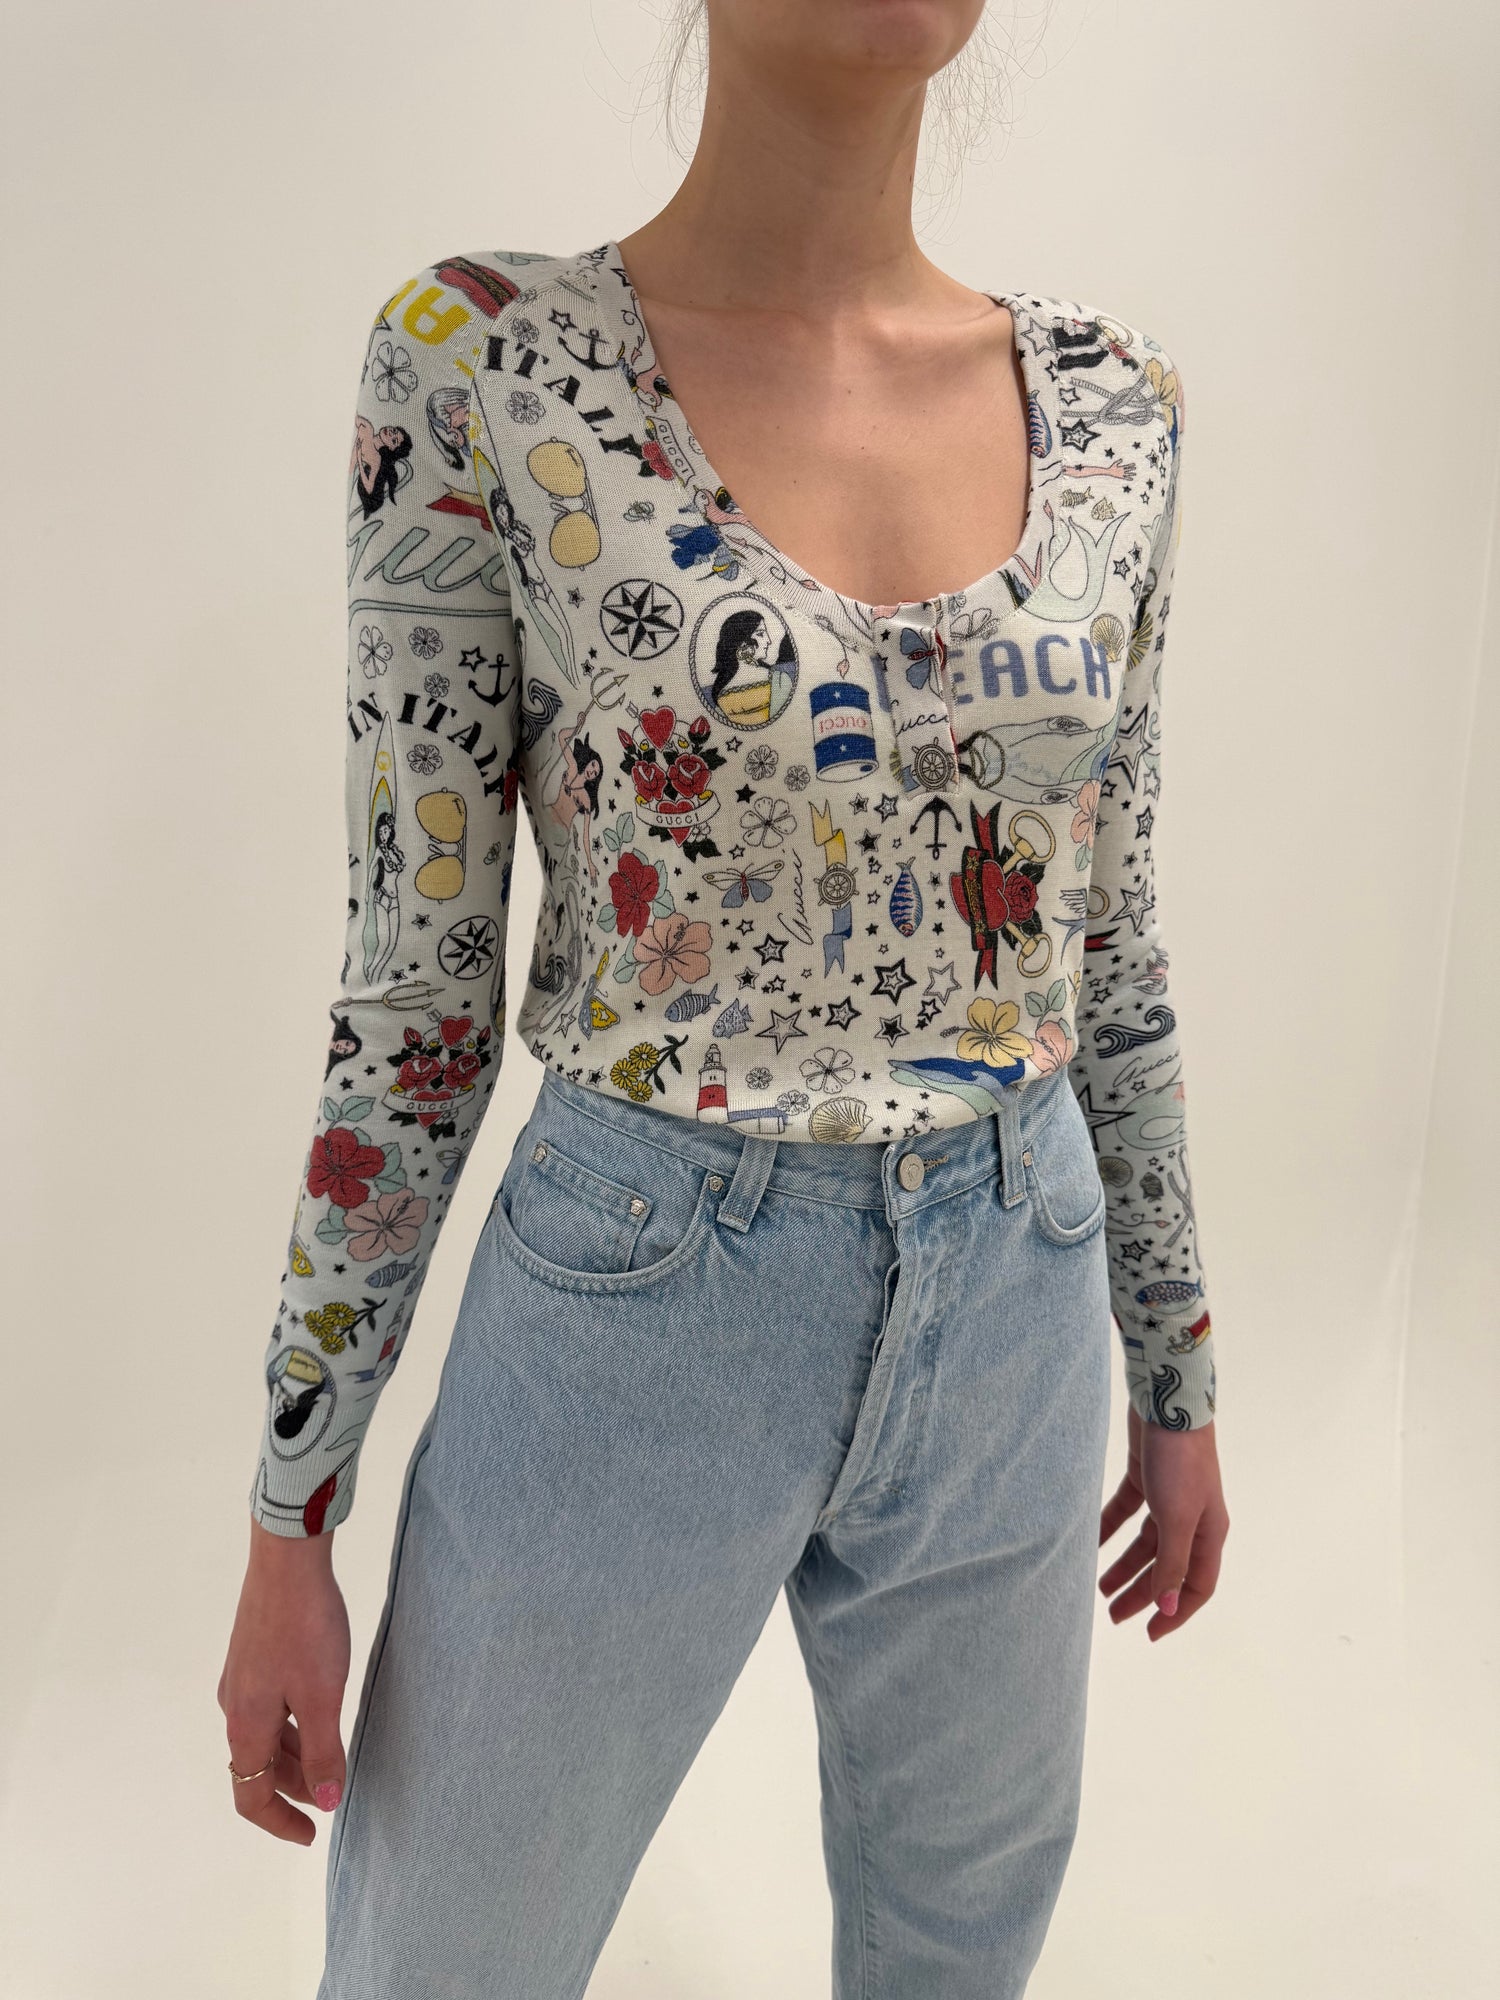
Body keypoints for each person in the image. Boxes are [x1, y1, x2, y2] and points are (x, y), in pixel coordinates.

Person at [219, 3, 1231, 1993]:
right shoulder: (486, 362)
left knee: (961, 1951)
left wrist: (1176, 1367)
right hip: (640, 1301)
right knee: (449, 1957)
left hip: (1020, 1290)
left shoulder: (1117, 403)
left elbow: (1108, 930)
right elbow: (415, 985)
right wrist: (289, 1507)